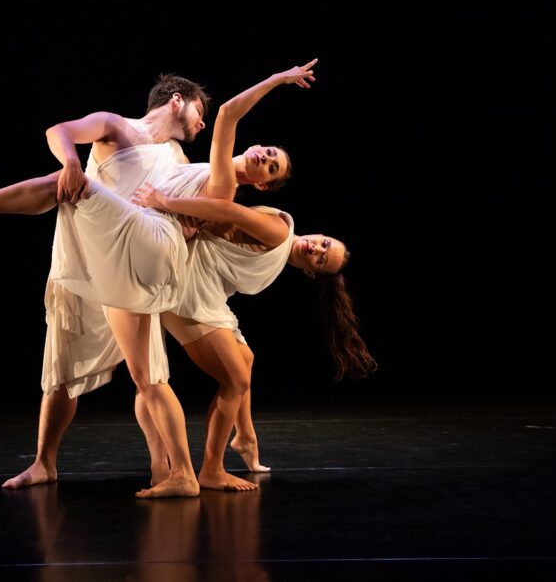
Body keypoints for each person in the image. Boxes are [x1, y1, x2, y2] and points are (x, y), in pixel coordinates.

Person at [0, 62, 310, 497]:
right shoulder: (158, 148)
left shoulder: (217, 179)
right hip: (106, 251)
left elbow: (228, 122)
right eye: (269, 152)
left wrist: (276, 81)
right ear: (177, 100)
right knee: (129, 374)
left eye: (271, 167)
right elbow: (60, 131)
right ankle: (131, 467)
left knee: (73, 183)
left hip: (147, 247)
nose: (202, 120)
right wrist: (72, 162)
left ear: (260, 184)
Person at [130, 180, 378, 489]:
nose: (315, 248)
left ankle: (245, 437)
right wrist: (164, 201)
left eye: (321, 258)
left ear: (311, 272)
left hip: (204, 293)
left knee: (246, 358)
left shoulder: (280, 248)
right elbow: (228, 209)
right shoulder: (279, 232)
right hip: (188, 293)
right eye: (323, 244)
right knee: (236, 381)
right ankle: (212, 470)